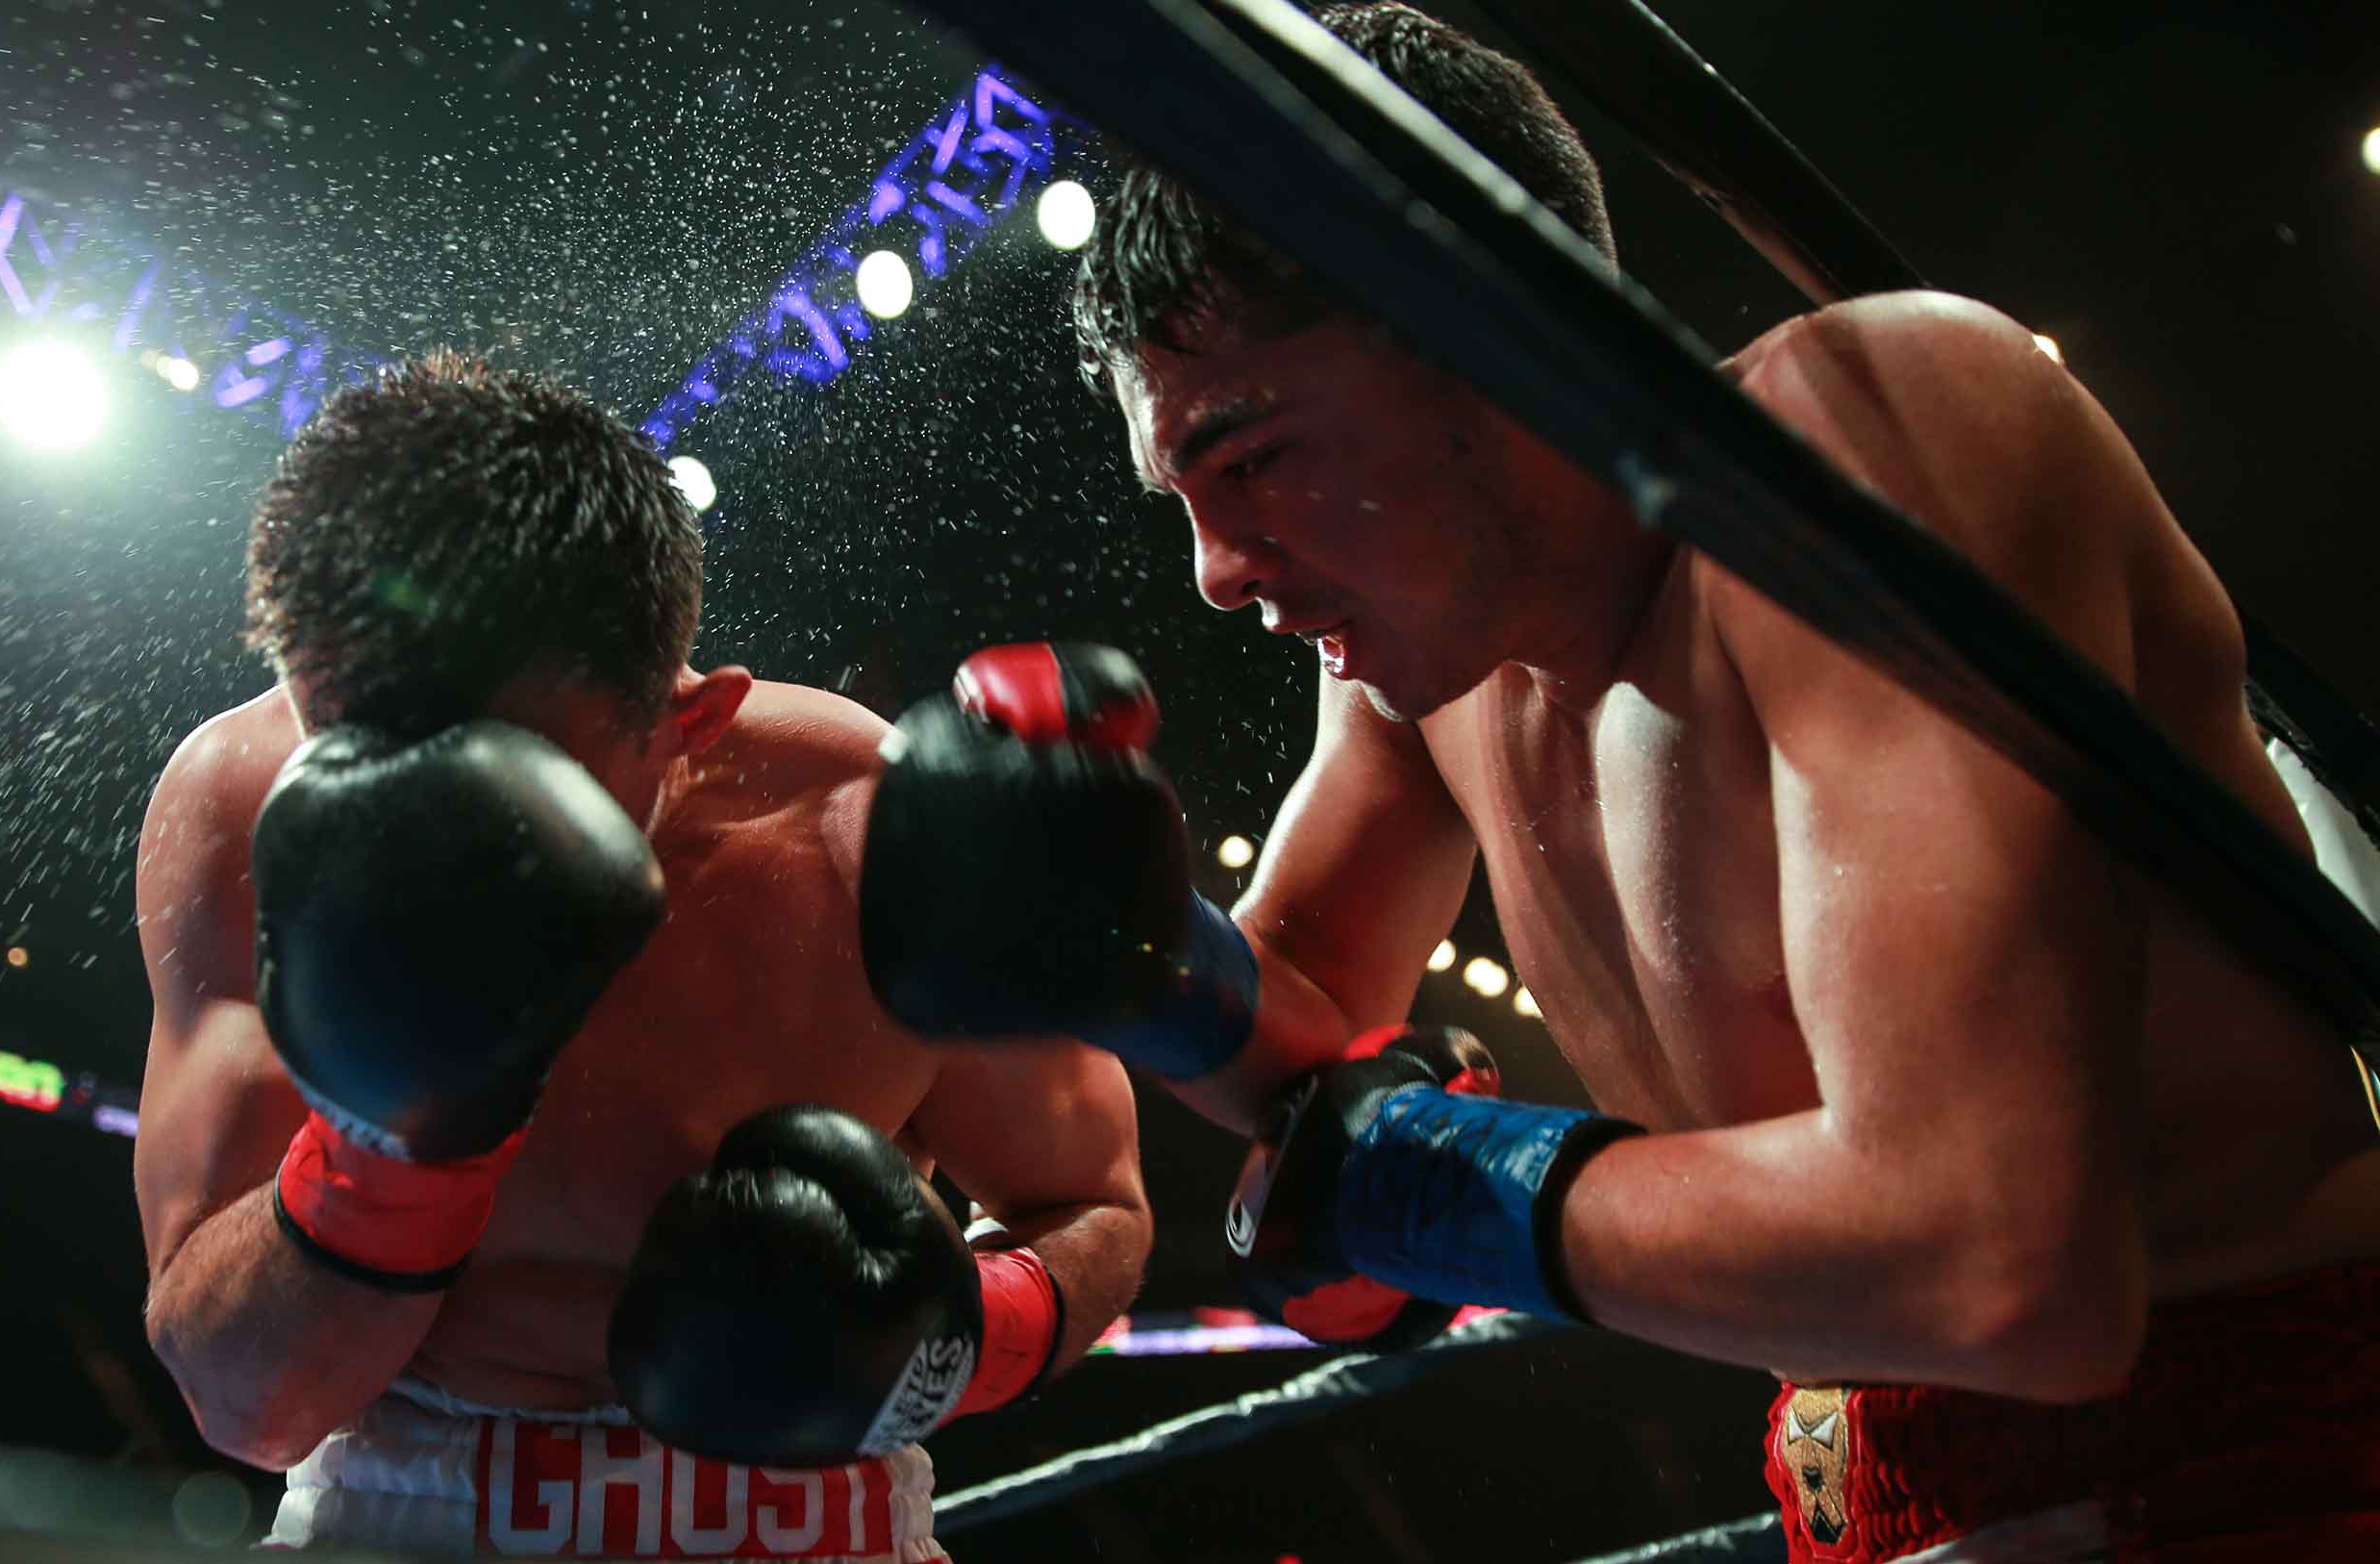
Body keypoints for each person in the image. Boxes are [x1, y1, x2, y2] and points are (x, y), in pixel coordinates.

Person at [875, 5, 2380, 1557]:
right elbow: (1307, 1026)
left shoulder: (1866, 440)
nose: (1214, 572)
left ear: (1482, 320)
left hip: (2271, 1466)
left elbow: (2005, 1266)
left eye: (1252, 457)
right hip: (1870, 1493)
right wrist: (1131, 944)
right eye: (1182, 495)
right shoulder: (1430, 679)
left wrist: (1446, 1188)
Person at [132, 351, 1150, 1558]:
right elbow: (246, 1407)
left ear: (687, 722)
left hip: (810, 1521)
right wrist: (390, 1146)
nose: (437, 824)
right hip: (396, 1508)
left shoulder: (866, 828)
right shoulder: (239, 807)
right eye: (356, 750)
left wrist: (952, 1342)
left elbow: (1094, 1200)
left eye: (520, 780)